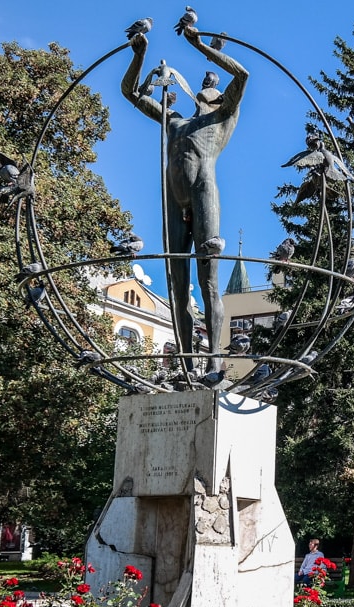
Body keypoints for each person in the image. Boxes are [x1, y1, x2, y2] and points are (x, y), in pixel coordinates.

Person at [121, 25, 248, 374]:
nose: (208, 90)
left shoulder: (223, 119)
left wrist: (199, 44)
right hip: (173, 202)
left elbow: (243, 73)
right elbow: (129, 91)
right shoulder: (174, 120)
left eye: (215, 89)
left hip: (203, 192)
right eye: (205, 88)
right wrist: (139, 54)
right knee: (178, 287)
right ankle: (187, 364)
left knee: (208, 284)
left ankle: (214, 361)